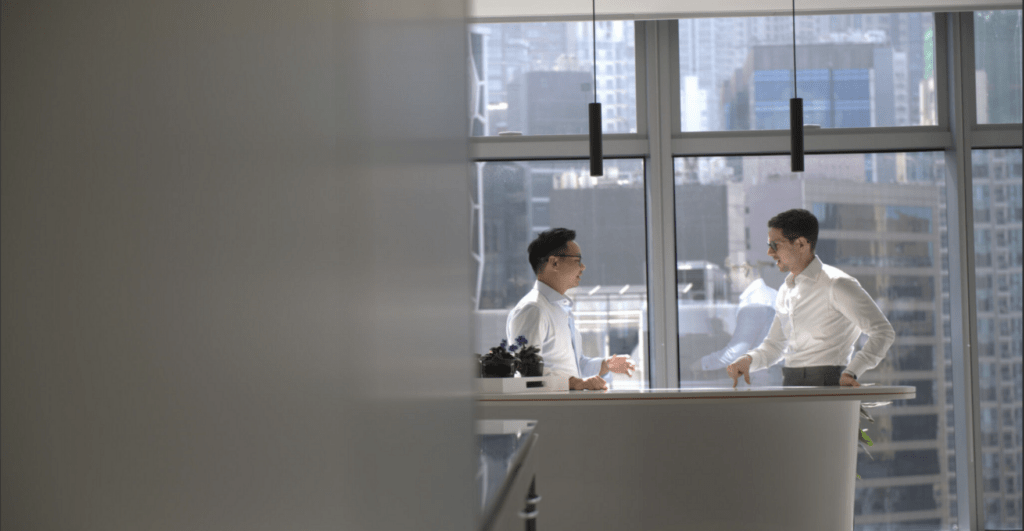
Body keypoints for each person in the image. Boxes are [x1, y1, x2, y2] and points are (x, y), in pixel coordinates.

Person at [727, 209, 895, 387]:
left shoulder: (837, 284)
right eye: (769, 245)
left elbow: (883, 331)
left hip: (830, 383)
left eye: (775, 245)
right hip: (790, 383)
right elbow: (775, 346)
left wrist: (852, 371)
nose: (769, 252)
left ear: (801, 244)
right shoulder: (786, 290)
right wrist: (749, 360)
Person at [506, 228, 636, 390]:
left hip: (564, 402)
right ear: (554, 263)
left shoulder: (559, 309)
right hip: (548, 404)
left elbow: (574, 366)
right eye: (577, 260)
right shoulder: (533, 309)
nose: (583, 267)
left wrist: (606, 365)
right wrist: (577, 383)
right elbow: (526, 370)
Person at [689, 257, 782, 386]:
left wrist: (701, 364)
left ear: (744, 270)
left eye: (730, 271)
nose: (727, 277)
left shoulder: (753, 302)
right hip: (772, 376)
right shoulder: (773, 294)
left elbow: (735, 352)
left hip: (758, 380)